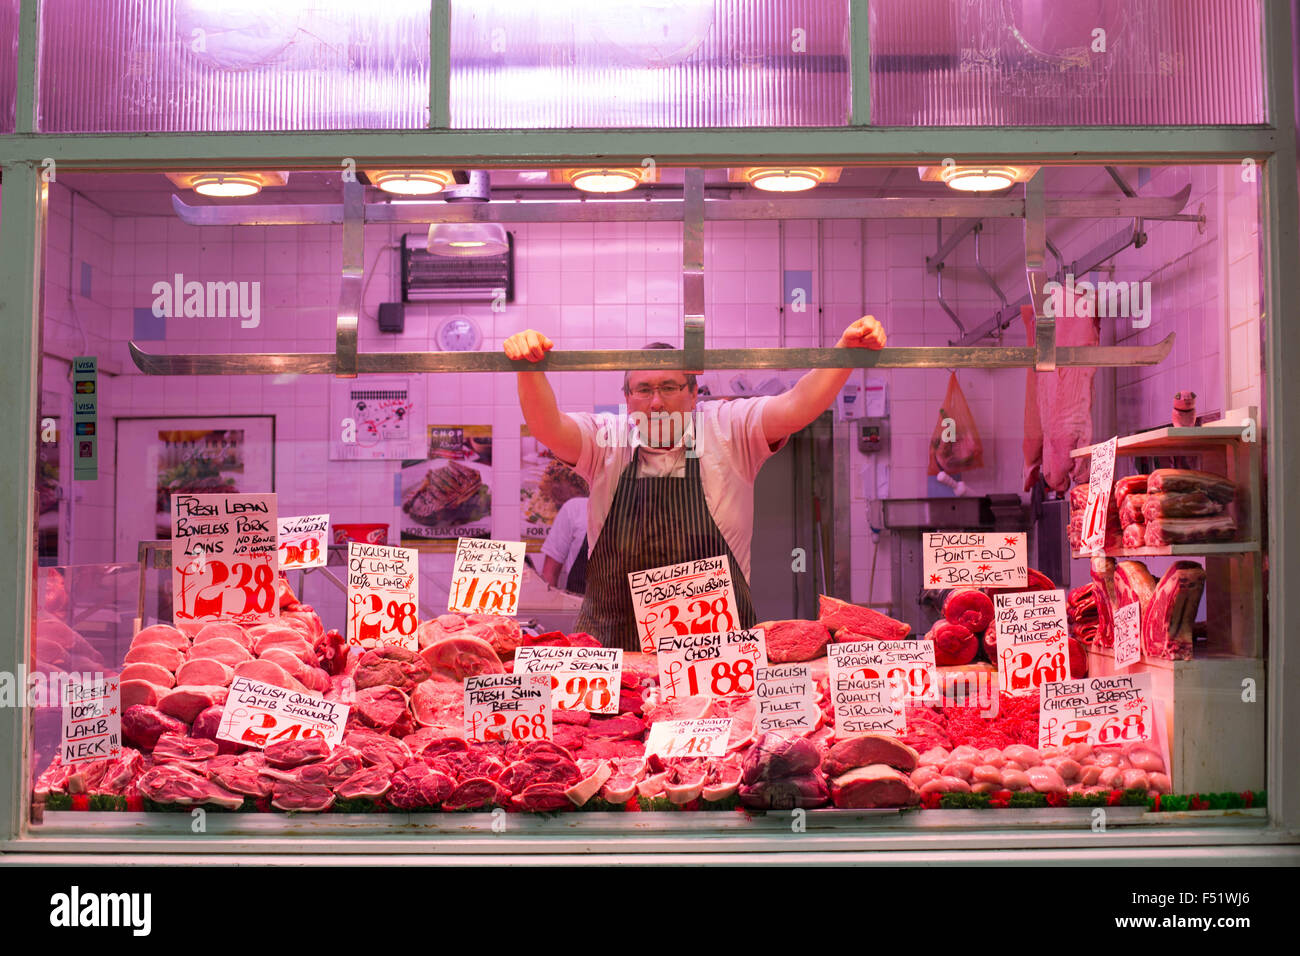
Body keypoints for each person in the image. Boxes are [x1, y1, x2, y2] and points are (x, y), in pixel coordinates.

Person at [504, 316, 887, 650]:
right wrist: (528, 369)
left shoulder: (727, 428)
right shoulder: (606, 439)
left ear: (692, 394)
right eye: (644, 390)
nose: (656, 402)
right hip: (614, 648)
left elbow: (797, 405)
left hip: (711, 653)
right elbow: (549, 426)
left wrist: (844, 354)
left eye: (669, 387)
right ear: (627, 398)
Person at [539, 495, 588, 594]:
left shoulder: (627, 514)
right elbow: (550, 573)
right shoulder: (575, 508)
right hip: (577, 606)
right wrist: (548, 605)